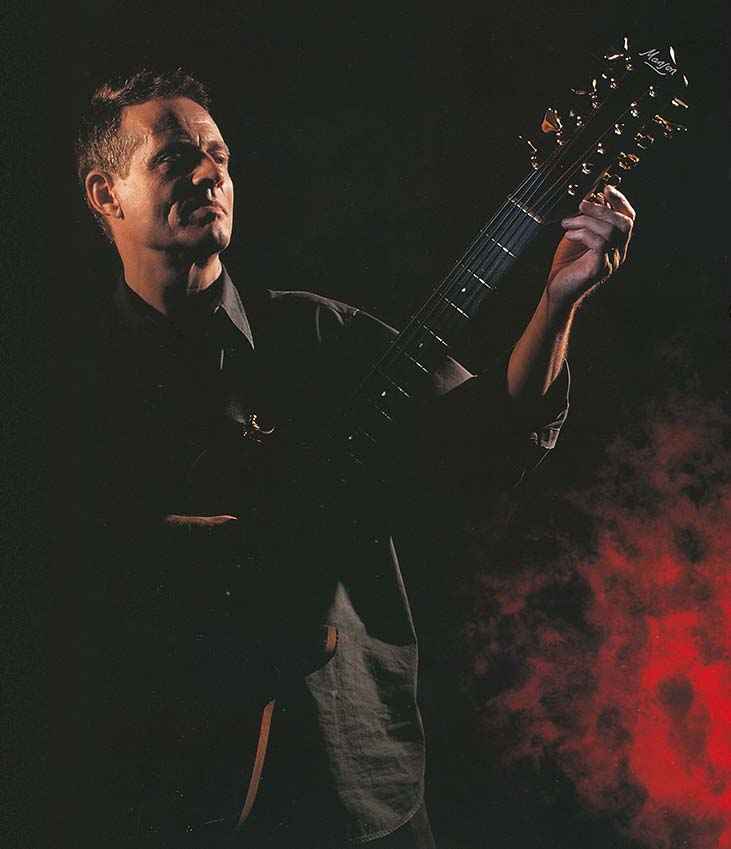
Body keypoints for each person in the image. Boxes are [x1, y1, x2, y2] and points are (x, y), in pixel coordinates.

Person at [70, 69, 635, 848]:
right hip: (168, 787)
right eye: (173, 158)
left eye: (219, 156)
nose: (209, 174)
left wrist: (555, 303)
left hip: (356, 776)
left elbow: (490, 435)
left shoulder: (317, 336)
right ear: (106, 194)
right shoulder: (69, 384)